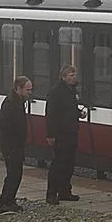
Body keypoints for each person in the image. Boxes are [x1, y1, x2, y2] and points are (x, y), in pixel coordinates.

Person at [45, 65, 85, 205]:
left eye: (74, 75)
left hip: (72, 132)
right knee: (58, 164)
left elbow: (71, 109)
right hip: (60, 133)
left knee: (69, 164)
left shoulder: (72, 91)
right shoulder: (56, 92)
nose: (74, 77)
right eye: (70, 75)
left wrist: (79, 113)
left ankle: (65, 191)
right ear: (63, 77)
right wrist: (50, 135)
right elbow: (51, 114)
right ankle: (51, 194)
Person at [0, 76, 33, 213]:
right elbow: (3, 123)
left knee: (16, 174)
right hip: (11, 145)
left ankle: (9, 200)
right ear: (18, 89)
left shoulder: (17, 101)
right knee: (13, 174)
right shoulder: (11, 103)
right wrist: (14, 138)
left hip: (15, 145)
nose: (30, 92)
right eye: (27, 89)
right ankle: (4, 202)